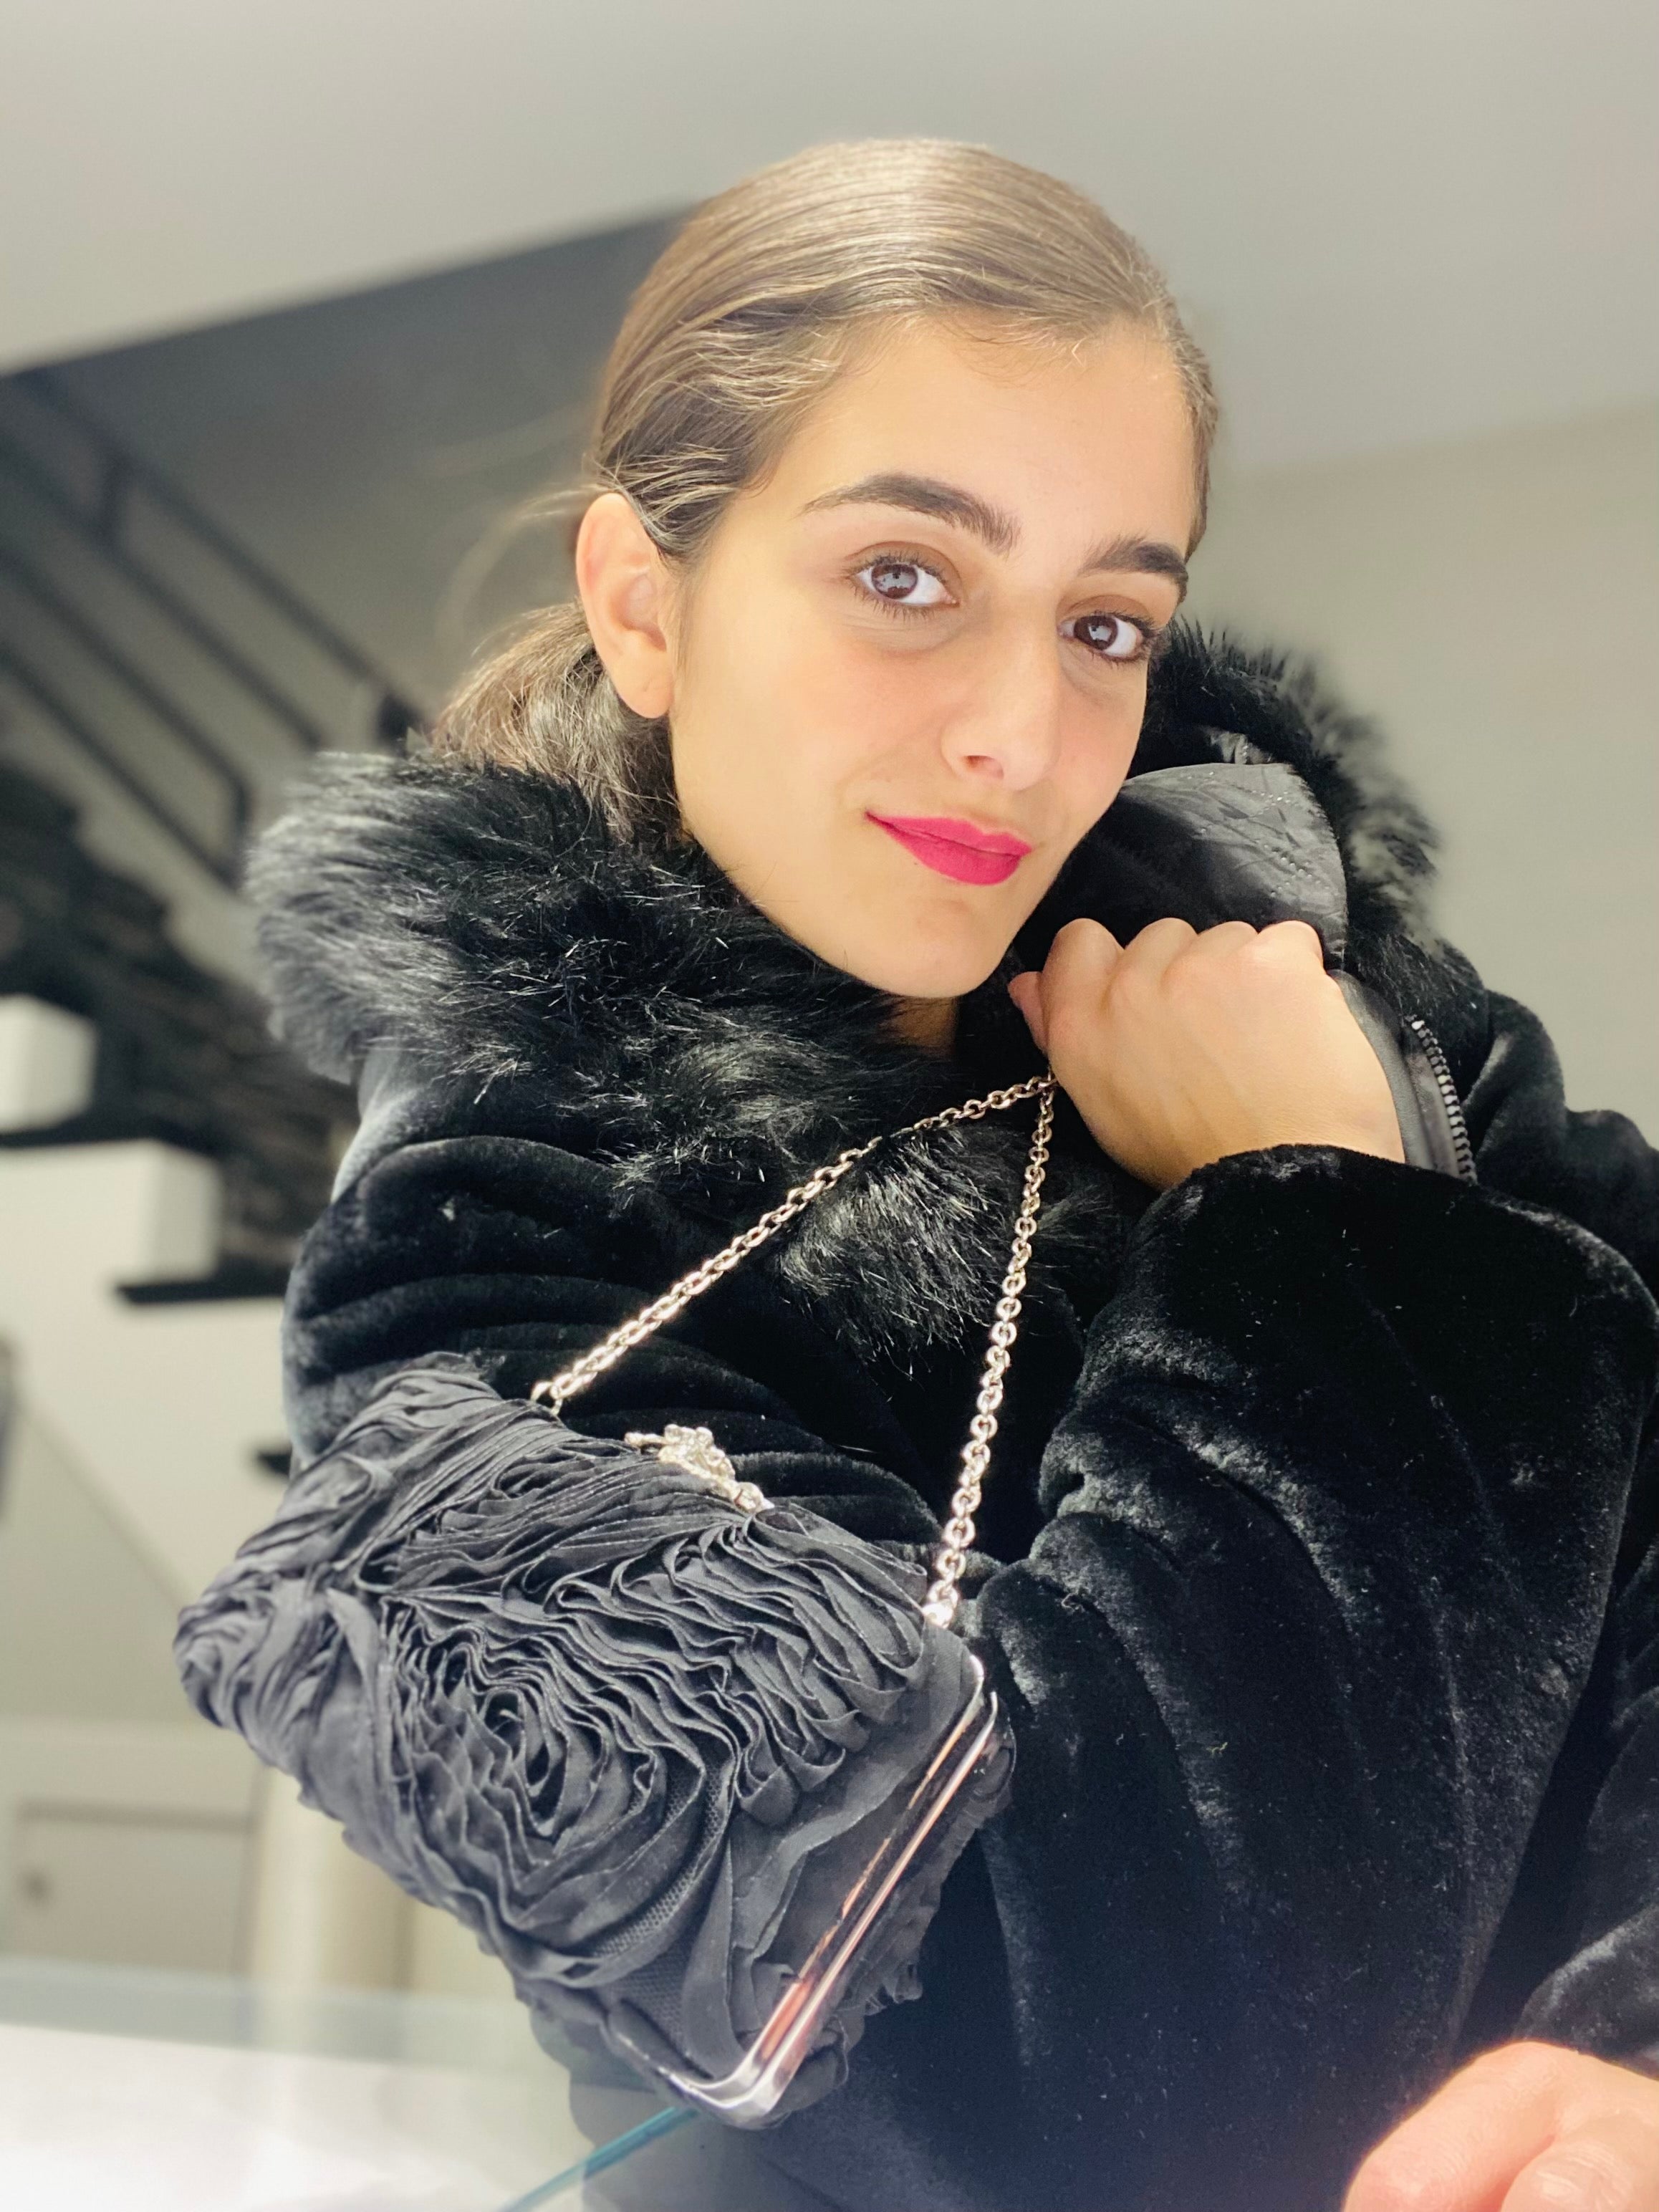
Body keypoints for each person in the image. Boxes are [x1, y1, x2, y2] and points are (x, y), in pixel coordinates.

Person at [207, 141, 1659, 2210]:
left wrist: (1620, 2059)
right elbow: (1072, 2088)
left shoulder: (1355, 1023)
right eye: (904, 577)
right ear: (643, 603)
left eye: (1105, 620)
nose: (1019, 734)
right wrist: (1309, 1221)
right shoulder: (481, 1276)